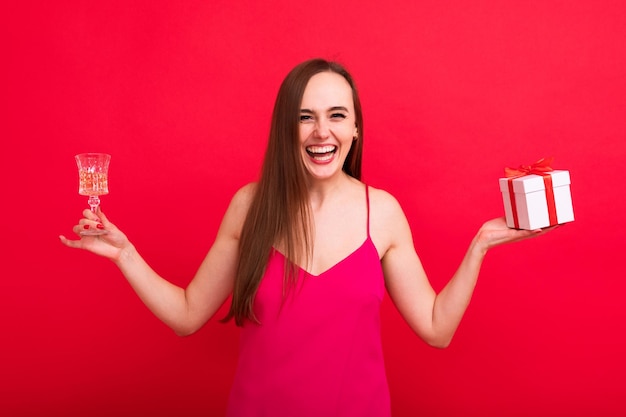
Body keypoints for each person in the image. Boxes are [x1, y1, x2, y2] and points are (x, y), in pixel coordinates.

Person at [60, 58, 553, 417]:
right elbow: (188, 314)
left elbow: (435, 329)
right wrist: (125, 254)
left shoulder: (380, 212)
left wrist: (482, 242)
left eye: (337, 115)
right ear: (285, 128)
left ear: (355, 128)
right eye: (305, 116)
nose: (322, 131)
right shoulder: (249, 206)